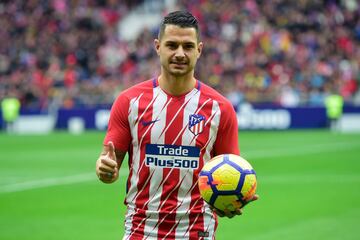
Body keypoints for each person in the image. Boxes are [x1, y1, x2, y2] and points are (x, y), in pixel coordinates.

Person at [96, 10, 258, 239]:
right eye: (172, 45)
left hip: (197, 231)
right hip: (141, 231)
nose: (180, 53)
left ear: (199, 50)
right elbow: (108, 166)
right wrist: (105, 170)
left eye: (188, 46)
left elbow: (228, 172)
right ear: (157, 46)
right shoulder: (129, 101)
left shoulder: (220, 108)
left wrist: (230, 202)